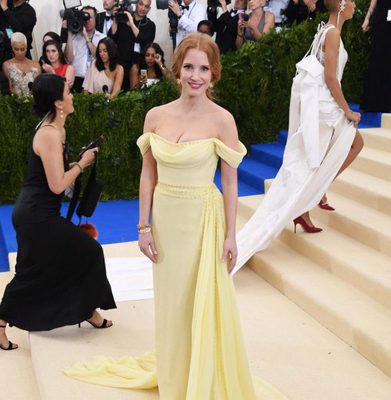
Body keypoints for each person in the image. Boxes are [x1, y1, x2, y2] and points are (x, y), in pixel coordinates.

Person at [64, 33, 287, 400]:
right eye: (188, 67)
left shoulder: (223, 121)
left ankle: (203, 376)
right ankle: (176, 373)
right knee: (172, 302)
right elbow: (148, 174)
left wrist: (232, 235)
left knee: (202, 301)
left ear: (213, 74)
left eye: (203, 68)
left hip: (203, 220)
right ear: (176, 70)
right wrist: (143, 225)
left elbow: (230, 184)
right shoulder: (156, 116)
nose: (195, 76)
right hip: (166, 220)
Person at [234, 0, 364, 271]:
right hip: (325, 110)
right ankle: (311, 198)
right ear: (340, 6)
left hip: (322, 108)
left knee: (340, 150)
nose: (354, 5)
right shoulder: (332, 33)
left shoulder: (327, 30)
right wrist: (348, 110)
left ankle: (312, 198)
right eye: (350, 1)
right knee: (316, 163)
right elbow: (330, 78)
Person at [0, 73, 116, 351]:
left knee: (67, 257)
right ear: (58, 102)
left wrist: (75, 162)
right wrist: (83, 164)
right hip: (37, 215)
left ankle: (87, 311)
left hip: (34, 212)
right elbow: (56, 185)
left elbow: (53, 174)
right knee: (85, 253)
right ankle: (87, 311)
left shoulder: (55, 129)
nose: (73, 94)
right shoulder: (50, 134)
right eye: (68, 91)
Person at [360, 0, 391, 112]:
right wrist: (367, 18)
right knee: (376, 57)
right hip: (381, 16)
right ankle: (371, 101)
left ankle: (386, 103)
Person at [109, 0, 155, 90]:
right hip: (120, 64)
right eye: (141, 4)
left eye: (146, 6)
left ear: (149, 9)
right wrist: (115, 19)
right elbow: (112, 37)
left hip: (138, 66)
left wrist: (132, 25)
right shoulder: (124, 19)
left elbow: (145, 42)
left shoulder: (150, 25)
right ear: (136, 4)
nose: (143, 8)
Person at [64, 6, 106, 93]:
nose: (87, 20)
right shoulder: (74, 38)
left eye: (89, 17)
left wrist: (86, 37)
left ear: (96, 19)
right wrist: (69, 31)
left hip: (95, 80)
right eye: (84, 17)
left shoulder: (102, 38)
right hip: (77, 79)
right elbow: (68, 59)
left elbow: (100, 57)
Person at [2, 32, 40, 97]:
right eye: (16, 49)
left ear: (26, 48)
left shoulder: (35, 65)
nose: (19, 53)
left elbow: (38, 88)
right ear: (12, 48)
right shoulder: (7, 65)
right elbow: (9, 87)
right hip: (16, 103)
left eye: (22, 49)